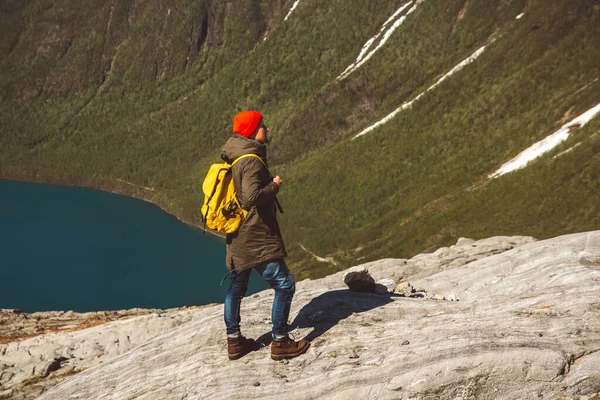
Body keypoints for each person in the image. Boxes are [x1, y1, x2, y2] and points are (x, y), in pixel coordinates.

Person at [221, 110, 310, 361]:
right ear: (251, 131)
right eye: (262, 126)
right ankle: (280, 341)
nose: (267, 129)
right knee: (285, 284)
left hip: (237, 233)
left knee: (236, 287)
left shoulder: (235, 153)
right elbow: (250, 197)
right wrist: (275, 186)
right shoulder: (249, 160)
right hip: (255, 236)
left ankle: (234, 341)